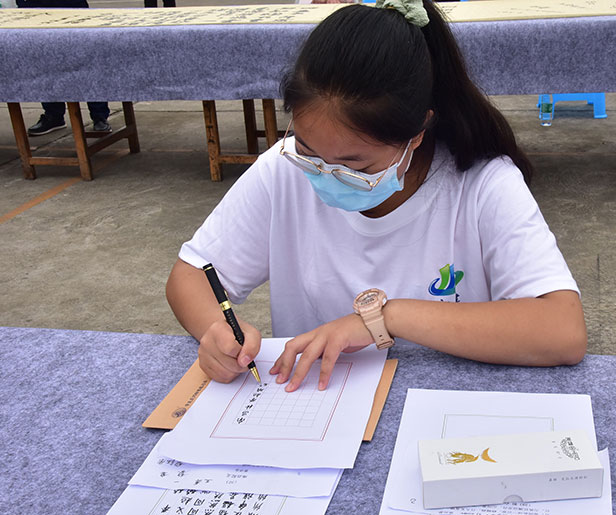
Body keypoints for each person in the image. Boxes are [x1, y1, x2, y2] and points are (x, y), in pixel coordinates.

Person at [166, 0, 586, 393]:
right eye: (309, 152)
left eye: (357, 166)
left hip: (441, 409)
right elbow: (192, 274)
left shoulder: (482, 185)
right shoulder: (282, 171)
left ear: (416, 134)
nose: (328, 174)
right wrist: (216, 331)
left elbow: (561, 330)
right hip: (314, 404)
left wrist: (384, 318)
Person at [17, 0, 112, 135]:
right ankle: (53, 114)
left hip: (70, 6)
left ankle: (99, 115)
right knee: (43, 59)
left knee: (85, 58)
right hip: (33, 6)